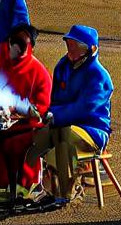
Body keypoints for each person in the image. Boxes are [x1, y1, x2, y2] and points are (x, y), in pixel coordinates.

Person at [25, 24, 113, 201]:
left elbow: (84, 108)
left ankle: (64, 194)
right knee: (33, 137)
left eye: (77, 46)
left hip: (92, 130)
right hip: (61, 122)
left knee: (63, 137)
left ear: (91, 49)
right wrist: (43, 111)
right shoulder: (63, 66)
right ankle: (28, 187)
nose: (71, 50)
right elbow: (53, 97)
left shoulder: (99, 76)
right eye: (69, 44)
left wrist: (54, 115)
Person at [0, 24, 51, 201]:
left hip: (28, 126)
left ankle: (24, 186)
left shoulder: (40, 73)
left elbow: (41, 108)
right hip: (0, 120)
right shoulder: (0, 62)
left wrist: (18, 110)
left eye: (20, 43)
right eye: (12, 42)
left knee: (8, 144)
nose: (14, 47)